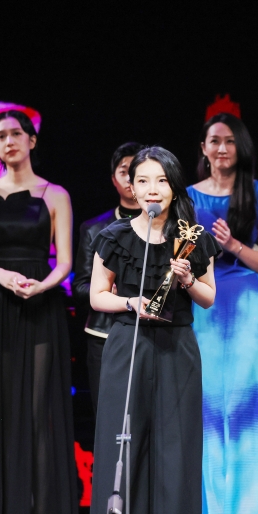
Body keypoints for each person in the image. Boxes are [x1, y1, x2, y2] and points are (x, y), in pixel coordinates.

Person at [87, 146, 220, 514]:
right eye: (143, 180)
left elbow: (209, 297)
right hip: (128, 346)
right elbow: (97, 295)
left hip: (177, 349)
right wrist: (130, 302)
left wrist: (188, 280)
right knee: (122, 442)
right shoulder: (113, 236)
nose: (152, 189)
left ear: (174, 187)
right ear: (131, 187)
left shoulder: (192, 237)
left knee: (175, 448)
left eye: (161, 180)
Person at [0, 110, 79, 514]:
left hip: (39, 306)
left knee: (38, 412)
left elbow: (65, 261)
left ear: (32, 140)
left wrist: (43, 286)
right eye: (0, 136)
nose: (8, 141)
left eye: (15, 134)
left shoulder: (55, 194)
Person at [187, 112, 258, 514]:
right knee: (209, 405)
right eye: (214, 141)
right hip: (204, 301)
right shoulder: (186, 197)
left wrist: (233, 245)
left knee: (247, 406)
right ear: (203, 149)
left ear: (240, 147)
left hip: (248, 301)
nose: (222, 148)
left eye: (230, 141)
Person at [73, 141, 144, 414]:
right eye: (124, 171)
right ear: (114, 179)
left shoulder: (166, 226)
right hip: (105, 335)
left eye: (138, 171)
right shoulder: (94, 229)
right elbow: (80, 287)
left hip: (152, 333)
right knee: (108, 417)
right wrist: (107, 290)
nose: (130, 178)